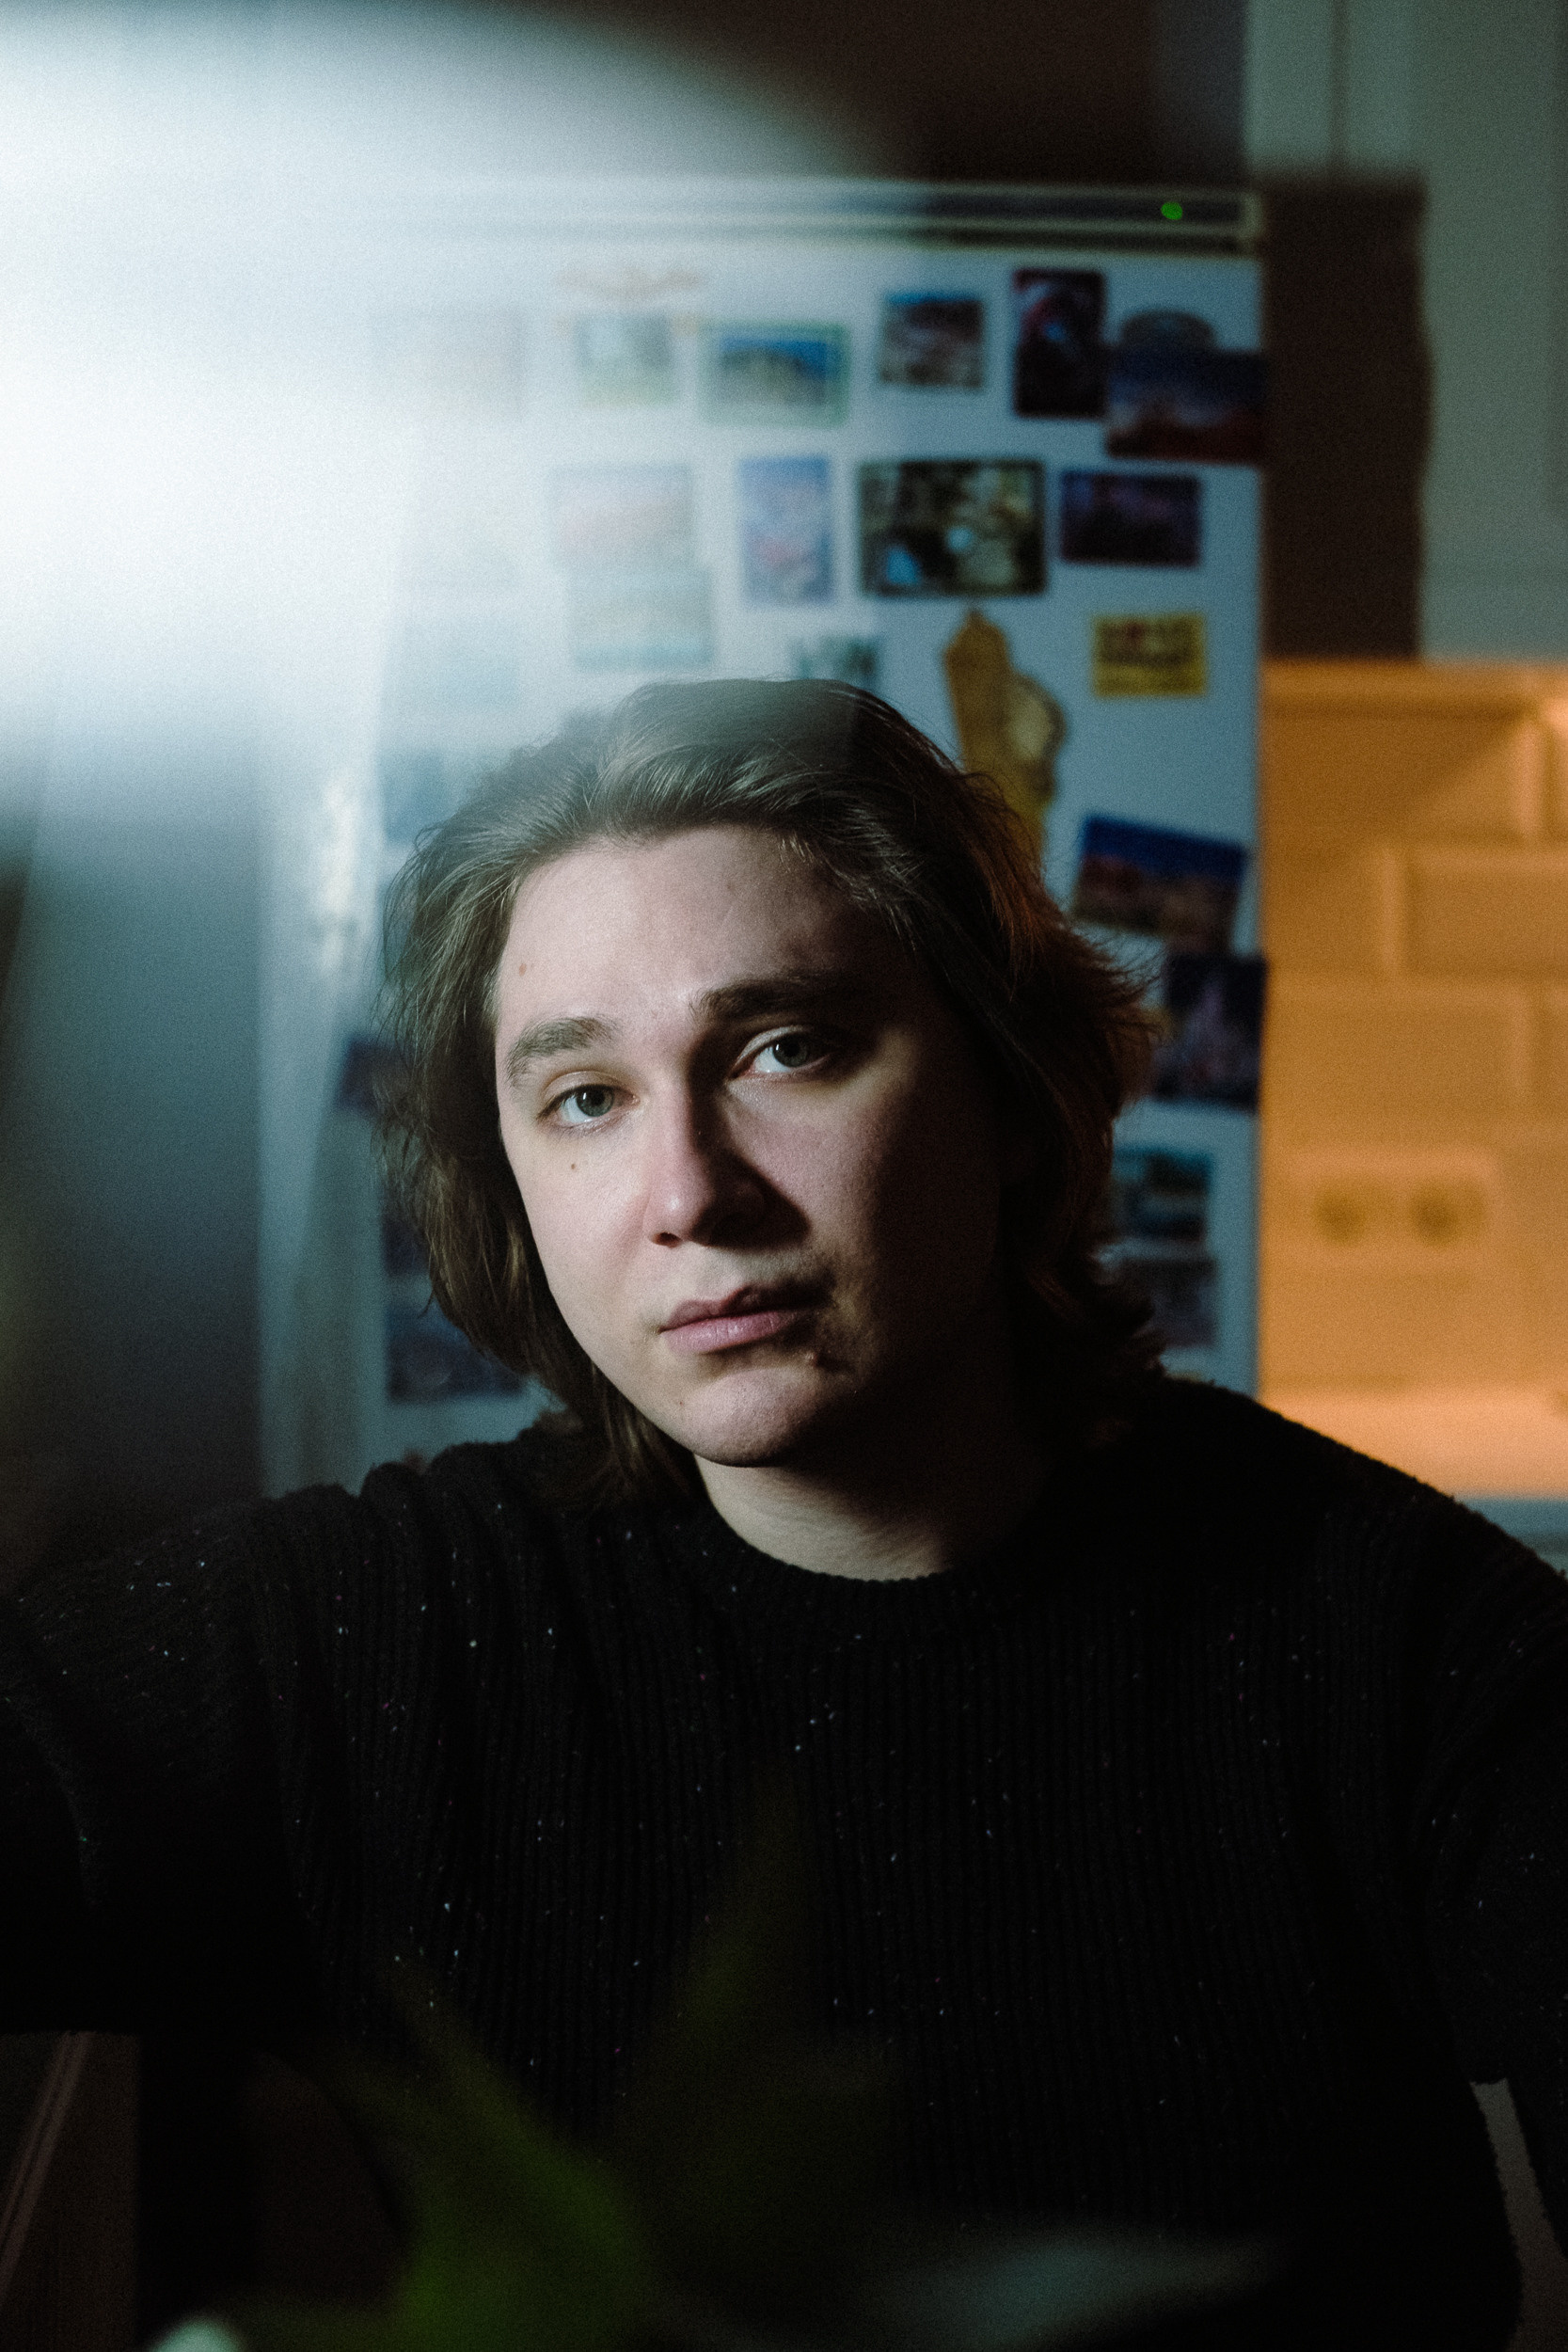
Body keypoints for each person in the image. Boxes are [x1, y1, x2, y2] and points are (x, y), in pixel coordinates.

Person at [1, 678, 1565, 2348]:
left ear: (1006, 1087)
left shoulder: (1406, 1641)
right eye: (586, 1097)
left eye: (785, 1049)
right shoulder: (375, 1636)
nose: (690, 1194)